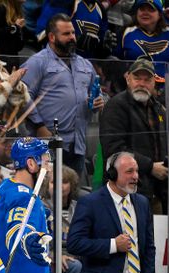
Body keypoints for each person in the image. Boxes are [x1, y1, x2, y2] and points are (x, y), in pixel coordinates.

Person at [67, 151, 155, 273]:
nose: (135, 176)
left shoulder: (142, 203)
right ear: (112, 174)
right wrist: (113, 245)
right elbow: (75, 243)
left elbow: (149, 246)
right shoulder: (90, 202)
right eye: (129, 172)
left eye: (136, 171)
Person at [22, 14, 104, 180]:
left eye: (73, 33)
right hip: (48, 143)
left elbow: (96, 92)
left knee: (71, 196)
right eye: (66, 34)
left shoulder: (85, 64)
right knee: (48, 194)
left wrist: (98, 100)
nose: (72, 37)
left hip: (78, 144)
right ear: (52, 37)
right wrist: (39, 126)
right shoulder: (37, 62)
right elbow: (22, 95)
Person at [0, 137, 54, 273]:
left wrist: (39, 213)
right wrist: (27, 241)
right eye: (46, 162)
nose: (49, 168)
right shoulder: (23, 196)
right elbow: (17, 229)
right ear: (31, 164)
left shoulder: (8, 185)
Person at [99, 58, 168, 214]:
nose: (142, 83)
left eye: (147, 79)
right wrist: (150, 167)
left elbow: (163, 145)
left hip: (155, 192)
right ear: (127, 78)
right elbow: (113, 149)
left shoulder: (158, 108)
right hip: (125, 192)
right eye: (137, 78)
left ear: (154, 82)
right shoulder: (116, 106)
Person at [116, 0, 169, 78]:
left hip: (165, 86)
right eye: (142, 9)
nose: (145, 13)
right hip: (136, 85)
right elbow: (116, 60)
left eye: (151, 9)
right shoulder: (126, 32)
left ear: (160, 14)